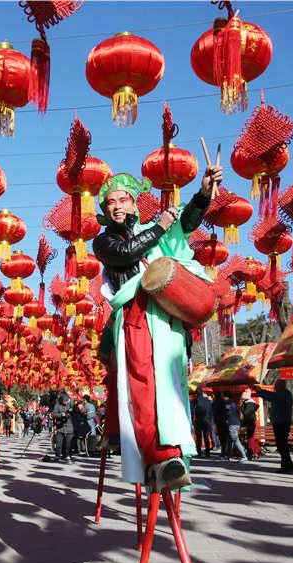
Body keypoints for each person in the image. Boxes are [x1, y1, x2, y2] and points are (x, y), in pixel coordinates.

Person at [93, 165, 221, 491]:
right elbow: (125, 253)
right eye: (111, 202)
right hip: (135, 317)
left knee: (173, 385)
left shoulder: (156, 231)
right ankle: (159, 458)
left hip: (167, 320)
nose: (119, 205)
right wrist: (161, 227)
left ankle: (178, 454)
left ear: (135, 205)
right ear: (106, 211)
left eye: (125, 200)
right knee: (144, 385)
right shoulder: (104, 241)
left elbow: (186, 224)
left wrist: (203, 194)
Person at [255, 380, 293, 473]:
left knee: (282, 445)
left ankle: (286, 466)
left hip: (281, 423)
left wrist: (260, 391)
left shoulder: (283, 394)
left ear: (280, 386)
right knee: (282, 445)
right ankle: (287, 465)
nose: (274, 387)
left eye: (276, 386)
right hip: (282, 422)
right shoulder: (285, 393)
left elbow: (271, 396)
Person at [52, 392, 75, 463]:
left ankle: (67, 455)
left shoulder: (70, 404)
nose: (66, 402)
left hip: (69, 426)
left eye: (67, 400)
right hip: (60, 426)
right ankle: (58, 455)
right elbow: (54, 414)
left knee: (68, 443)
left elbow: (76, 410)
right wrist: (61, 415)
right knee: (59, 442)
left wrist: (72, 410)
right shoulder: (57, 405)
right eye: (64, 401)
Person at [225, 392, 248, 463]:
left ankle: (244, 456)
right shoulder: (234, 403)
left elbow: (227, 412)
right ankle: (228, 456)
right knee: (230, 440)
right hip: (236, 423)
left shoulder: (228, 403)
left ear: (226, 396)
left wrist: (225, 415)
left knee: (235, 440)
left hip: (232, 423)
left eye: (223, 396)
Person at [192, 389, 213, 458]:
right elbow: (211, 411)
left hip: (198, 421)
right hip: (207, 421)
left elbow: (192, 410)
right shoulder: (208, 400)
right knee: (206, 436)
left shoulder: (195, 400)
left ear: (196, 394)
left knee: (198, 437)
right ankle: (207, 453)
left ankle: (199, 452)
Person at [240, 389, 261, 460]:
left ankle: (254, 451)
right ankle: (255, 451)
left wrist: (242, 407)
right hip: (250, 423)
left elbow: (245, 413)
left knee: (250, 438)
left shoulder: (249, 404)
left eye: (243, 399)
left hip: (250, 423)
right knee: (250, 438)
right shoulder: (249, 403)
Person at [211, 391, 229, 459]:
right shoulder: (224, 402)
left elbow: (213, 412)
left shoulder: (215, 403)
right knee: (225, 438)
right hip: (224, 421)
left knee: (221, 438)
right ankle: (225, 452)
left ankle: (223, 452)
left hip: (219, 421)